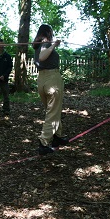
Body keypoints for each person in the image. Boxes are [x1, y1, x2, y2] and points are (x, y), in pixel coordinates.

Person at [32, 24, 69, 155]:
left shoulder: (38, 45)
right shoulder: (46, 43)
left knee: (53, 110)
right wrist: (54, 45)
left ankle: (57, 137)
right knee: (52, 112)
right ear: (48, 33)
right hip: (52, 79)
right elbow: (42, 57)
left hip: (42, 80)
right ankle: (44, 142)